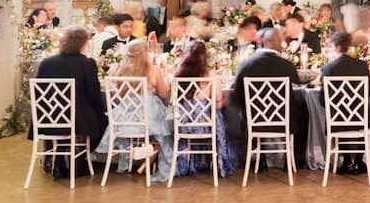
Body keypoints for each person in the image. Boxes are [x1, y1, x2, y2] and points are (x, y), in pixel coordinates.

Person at [95, 39, 174, 182]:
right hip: (148, 117)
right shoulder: (152, 69)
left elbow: (116, 94)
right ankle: (158, 161)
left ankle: (146, 155)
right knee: (167, 132)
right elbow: (163, 93)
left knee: (160, 130)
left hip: (125, 117)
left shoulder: (121, 69)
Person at [234, 29, 307, 167]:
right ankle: (295, 160)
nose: (282, 44)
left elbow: (237, 96)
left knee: (240, 112)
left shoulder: (246, 65)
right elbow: (297, 87)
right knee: (304, 111)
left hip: (254, 120)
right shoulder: (286, 65)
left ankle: (256, 160)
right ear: (269, 43)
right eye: (279, 41)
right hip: (282, 119)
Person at [36, 25, 107, 163]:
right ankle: (81, 159)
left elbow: (40, 93)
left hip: (48, 118)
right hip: (77, 120)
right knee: (103, 119)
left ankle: (54, 156)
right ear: (84, 43)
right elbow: (94, 95)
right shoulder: (87, 64)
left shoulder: (46, 63)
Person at [172, 40, 236, 178]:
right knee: (222, 114)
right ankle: (219, 163)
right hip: (206, 126)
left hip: (183, 125)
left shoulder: (177, 76)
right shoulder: (210, 76)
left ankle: (187, 164)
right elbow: (218, 102)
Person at [320, 31, 370, 175]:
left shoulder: (327, 69)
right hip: (360, 118)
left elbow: (322, 100)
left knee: (339, 116)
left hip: (337, 120)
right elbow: (369, 94)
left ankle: (345, 161)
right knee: (366, 113)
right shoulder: (362, 66)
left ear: (337, 48)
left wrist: (339, 107)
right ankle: (358, 160)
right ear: (348, 47)